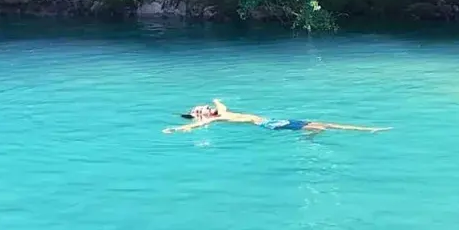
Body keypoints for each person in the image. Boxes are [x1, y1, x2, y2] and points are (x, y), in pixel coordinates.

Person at [163, 99, 389, 135]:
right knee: (316, 125)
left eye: (205, 106)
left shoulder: (219, 112)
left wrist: (214, 99)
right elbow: (193, 127)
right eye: (203, 109)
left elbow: (221, 105)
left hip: (269, 120)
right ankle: (366, 130)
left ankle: (365, 129)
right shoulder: (211, 119)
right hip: (267, 124)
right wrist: (177, 129)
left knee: (321, 124)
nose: (207, 108)